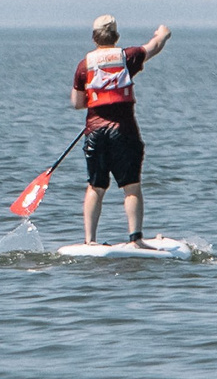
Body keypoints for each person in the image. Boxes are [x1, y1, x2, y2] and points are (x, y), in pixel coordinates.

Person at [69, 16, 174, 245]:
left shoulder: (84, 64)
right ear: (116, 36)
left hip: (95, 132)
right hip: (123, 131)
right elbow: (154, 46)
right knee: (131, 187)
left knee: (95, 187)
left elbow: (77, 103)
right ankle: (135, 239)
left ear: (94, 37)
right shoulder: (127, 57)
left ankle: (90, 241)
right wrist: (163, 33)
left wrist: (99, 98)